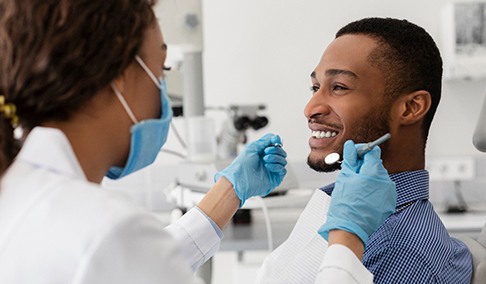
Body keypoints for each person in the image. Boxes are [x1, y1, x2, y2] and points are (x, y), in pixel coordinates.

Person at [0, 1, 396, 283]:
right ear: (118, 75)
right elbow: (122, 256)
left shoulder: (21, 194)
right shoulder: (105, 232)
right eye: (162, 69)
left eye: (339, 86)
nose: (312, 106)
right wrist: (348, 239)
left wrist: (227, 194)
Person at [256, 17, 473, 283]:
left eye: (339, 87)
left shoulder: (398, 252)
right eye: (315, 87)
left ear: (411, 107)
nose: (311, 108)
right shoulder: (344, 210)